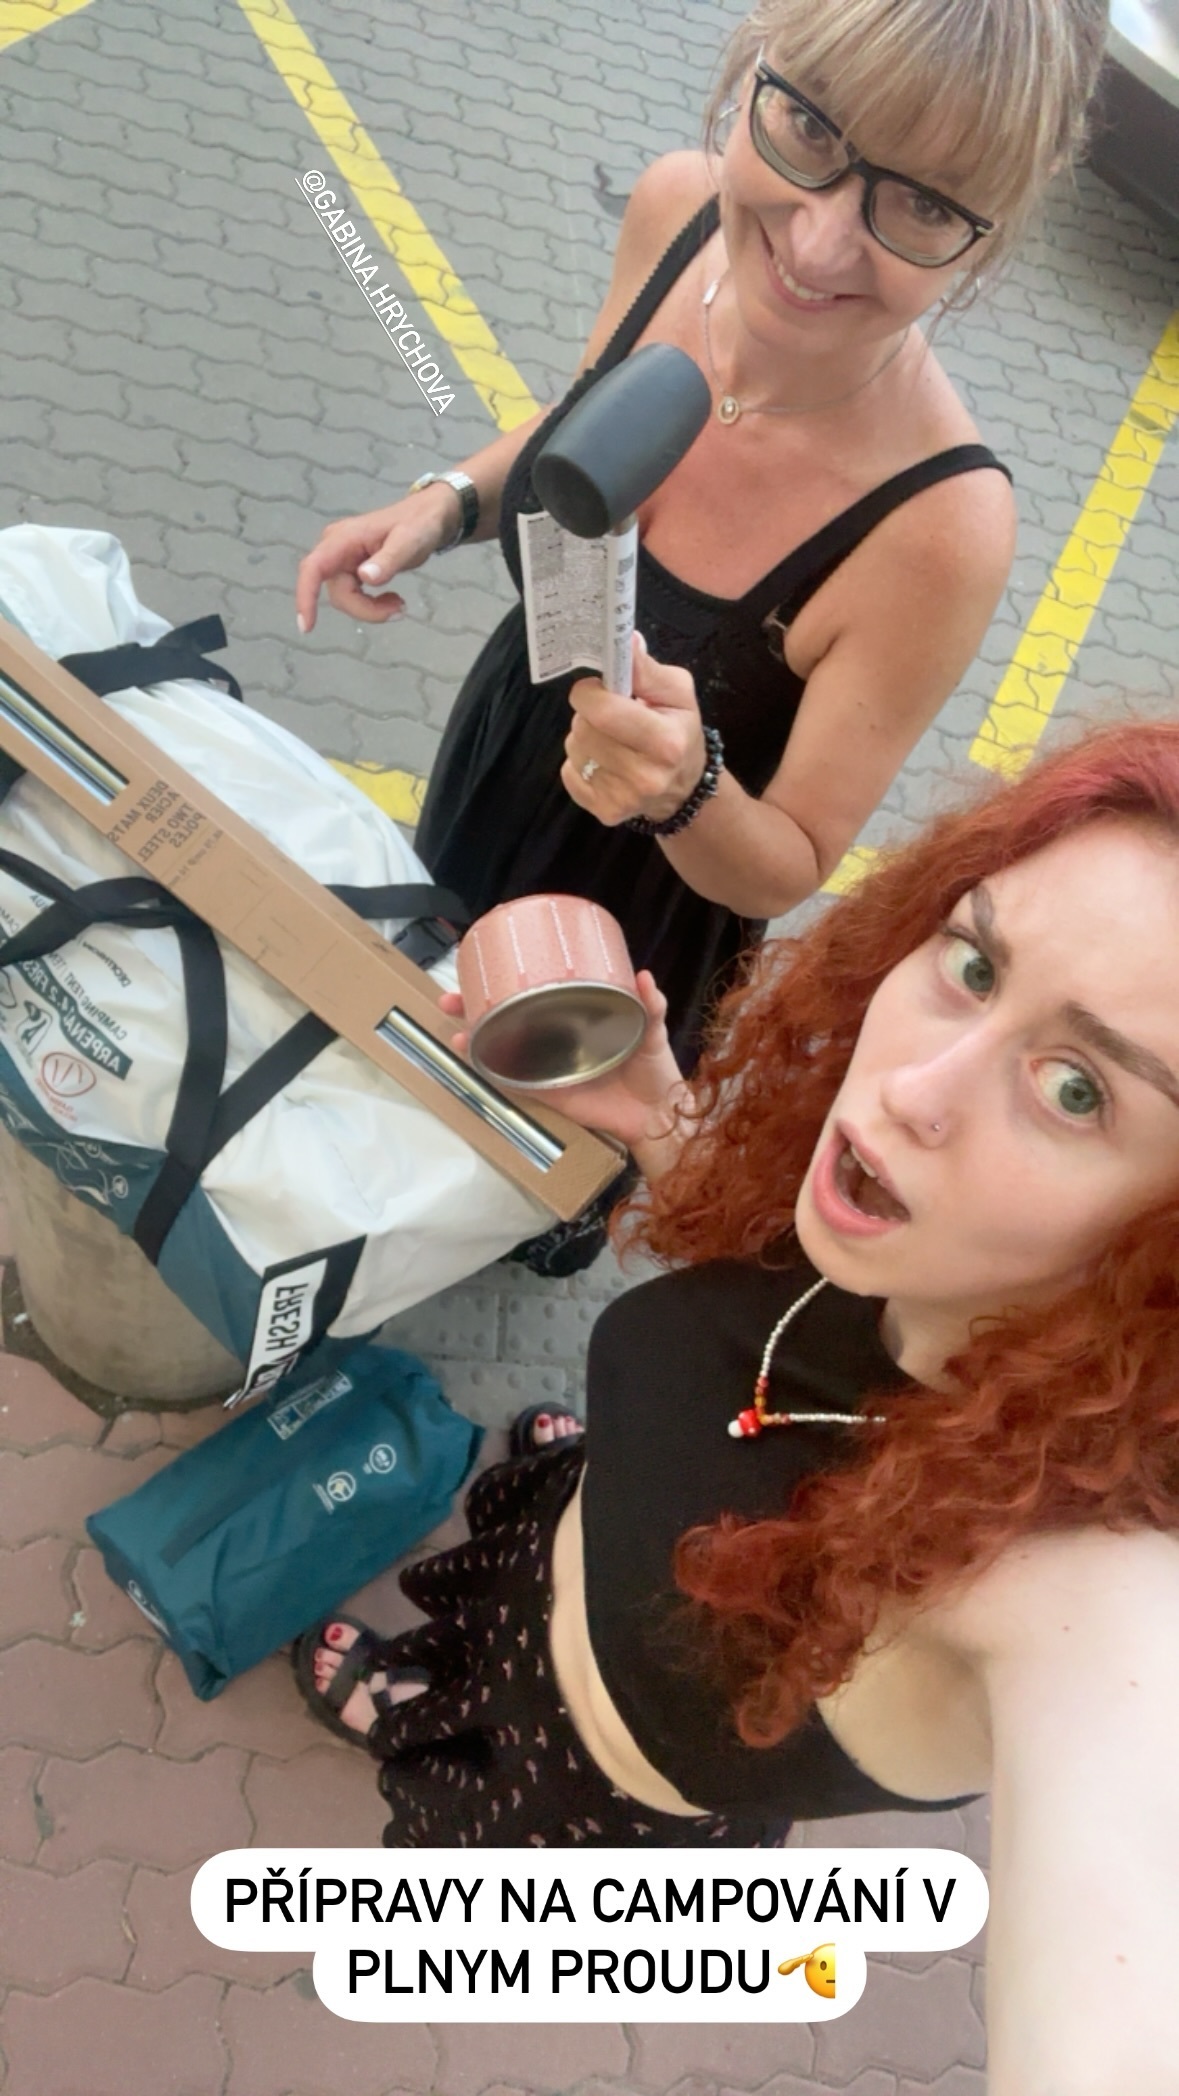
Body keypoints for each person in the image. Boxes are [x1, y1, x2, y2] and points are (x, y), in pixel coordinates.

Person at [296, 717, 1179, 2088]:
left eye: (1075, 1089)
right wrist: (664, 1112)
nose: (909, 1088)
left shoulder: (1073, 1579)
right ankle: (441, 1668)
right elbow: (765, 1255)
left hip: (578, 1784)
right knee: (510, 1587)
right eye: (971, 963)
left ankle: (413, 1719)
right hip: (566, 1541)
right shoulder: (903, 1221)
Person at [296, 0, 1106, 1079]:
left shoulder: (939, 526)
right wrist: (446, 503)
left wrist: (684, 789)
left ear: (989, 233)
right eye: (810, 127)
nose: (817, 245)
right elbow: (581, 428)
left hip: (630, 931)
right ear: (755, 59)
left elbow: (792, 859)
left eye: (921, 202)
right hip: (500, 750)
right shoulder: (677, 209)